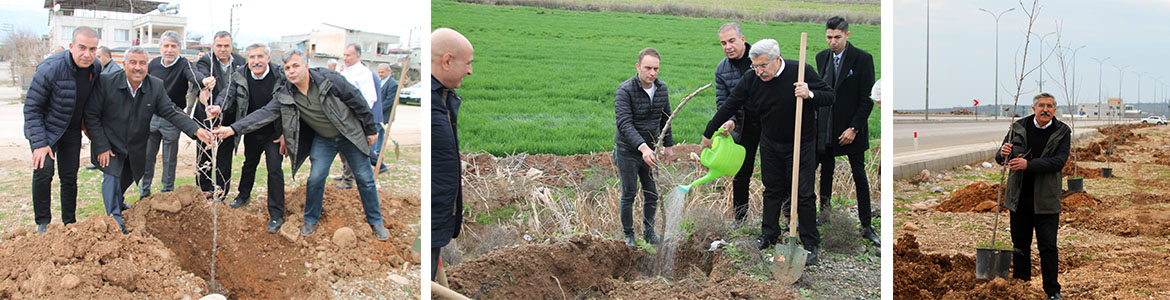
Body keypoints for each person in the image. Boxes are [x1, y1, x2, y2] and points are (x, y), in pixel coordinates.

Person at [211, 49, 389, 241]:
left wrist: (371, 129)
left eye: (296, 66)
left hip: (349, 134)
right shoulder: (287, 92)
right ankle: (311, 220)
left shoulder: (329, 79)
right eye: (287, 68)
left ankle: (375, 221)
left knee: (364, 178)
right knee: (316, 178)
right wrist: (233, 129)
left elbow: (357, 99)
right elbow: (264, 113)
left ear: (306, 65)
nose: (291, 71)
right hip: (324, 139)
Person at [702, 38, 834, 266]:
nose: (759, 71)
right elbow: (731, 104)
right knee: (771, 189)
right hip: (771, 141)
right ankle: (769, 233)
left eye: (763, 66)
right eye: (755, 66)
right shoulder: (751, 78)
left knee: (802, 193)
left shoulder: (799, 71)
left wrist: (809, 93)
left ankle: (811, 243)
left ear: (777, 59)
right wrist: (708, 132)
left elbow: (830, 96)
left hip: (800, 142)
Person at [86, 46, 212, 234]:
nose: (138, 67)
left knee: (126, 177)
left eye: (142, 63)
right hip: (110, 143)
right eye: (133, 63)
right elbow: (91, 116)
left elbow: (171, 111)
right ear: (124, 64)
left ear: (147, 65)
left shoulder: (155, 86)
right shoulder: (106, 82)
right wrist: (102, 146)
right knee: (112, 177)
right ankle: (115, 220)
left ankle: (118, 202)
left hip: (135, 145)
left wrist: (195, 129)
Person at [24, 26, 101, 234]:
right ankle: (43, 223)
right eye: (82, 47)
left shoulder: (96, 68)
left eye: (92, 49)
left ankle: (69, 223)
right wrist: (39, 143)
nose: (87, 54)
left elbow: (90, 101)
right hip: (45, 128)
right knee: (44, 171)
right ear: (71, 46)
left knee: (69, 176)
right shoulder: (50, 68)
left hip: (71, 129)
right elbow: (31, 108)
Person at [207, 41, 287, 233]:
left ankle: (276, 214)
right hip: (251, 129)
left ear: (268, 58)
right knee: (249, 163)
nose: (256, 61)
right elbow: (228, 92)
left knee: (274, 169)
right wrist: (218, 106)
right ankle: (243, 196)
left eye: (260, 57)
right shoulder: (240, 73)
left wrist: (286, 132)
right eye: (252, 57)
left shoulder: (280, 76)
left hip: (274, 131)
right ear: (247, 59)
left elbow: (286, 108)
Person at [995, 93, 1069, 300]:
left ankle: (1052, 291)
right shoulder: (1018, 126)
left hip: (1046, 200)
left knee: (1048, 246)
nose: (1046, 109)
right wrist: (1002, 153)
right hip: (1019, 198)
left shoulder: (1062, 131)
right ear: (1034, 108)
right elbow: (1001, 158)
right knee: (1020, 246)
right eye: (1042, 106)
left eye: (1050, 106)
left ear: (1055, 110)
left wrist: (1029, 165)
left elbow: (1059, 162)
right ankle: (1021, 286)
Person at [813, 16, 879, 246]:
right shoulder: (821, 58)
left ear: (847, 35)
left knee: (859, 176)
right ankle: (825, 214)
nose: (832, 42)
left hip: (851, 129)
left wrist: (854, 128)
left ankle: (866, 225)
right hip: (826, 127)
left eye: (837, 37)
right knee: (826, 173)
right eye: (829, 37)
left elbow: (866, 99)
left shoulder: (862, 59)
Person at [614, 47, 674, 249]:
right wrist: (642, 147)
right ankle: (629, 236)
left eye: (656, 69)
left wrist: (669, 145)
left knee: (652, 193)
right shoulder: (625, 90)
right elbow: (624, 123)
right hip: (628, 151)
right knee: (629, 193)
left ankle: (649, 234)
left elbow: (666, 117)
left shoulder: (661, 89)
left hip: (651, 151)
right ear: (638, 67)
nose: (652, 73)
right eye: (648, 68)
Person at [141, 30, 207, 198]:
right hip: (151, 117)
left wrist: (203, 81)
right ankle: (144, 192)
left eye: (174, 46)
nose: (169, 50)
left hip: (172, 119)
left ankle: (167, 192)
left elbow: (194, 75)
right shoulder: (153, 64)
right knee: (147, 157)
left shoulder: (185, 65)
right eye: (166, 46)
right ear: (160, 48)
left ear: (179, 48)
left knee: (169, 159)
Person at [430, 27, 472, 280]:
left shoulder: (443, 98)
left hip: (438, 223)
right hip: (434, 221)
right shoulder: (431, 104)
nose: (470, 70)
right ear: (447, 61)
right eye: (468, 63)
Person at [713, 22, 758, 225]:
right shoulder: (722, 70)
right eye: (723, 43)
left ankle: (787, 217)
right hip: (742, 126)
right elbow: (723, 103)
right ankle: (740, 220)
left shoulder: (760, 58)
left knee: (777, 172)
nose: (728, 46)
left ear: (742, 39)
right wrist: (730, 121)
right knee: (741, 174)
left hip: (769, 123)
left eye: (731, 40)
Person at [194, 31, 247, 200]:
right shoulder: (205, 60)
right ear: (213, 46)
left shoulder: (240, 62)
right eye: (219, 46)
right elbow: (200, 75)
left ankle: (221, 192)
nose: (223, 49)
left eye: (226, 46)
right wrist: (203, 88)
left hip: (229, 115)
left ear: (232, 46)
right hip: (207, 113)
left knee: (225, 155)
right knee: (204, 153)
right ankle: (204, 189)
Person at [335, 44, 385, 188]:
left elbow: (370, 97)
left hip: (355, 118)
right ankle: (346, 175)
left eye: (348, 55)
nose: (345, 58)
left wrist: (360, 116)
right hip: (341, 117)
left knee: (352, 148)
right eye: (344, 55)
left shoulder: (363, 73)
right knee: (341, 148)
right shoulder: (344, 72)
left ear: (358, 56)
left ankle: (349, 180)